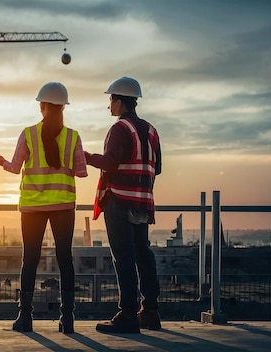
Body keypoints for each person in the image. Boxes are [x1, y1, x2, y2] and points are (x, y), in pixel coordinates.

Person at [0, 82, 88, 334]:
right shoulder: (73, 136)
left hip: (32, 207)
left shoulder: (28, 134)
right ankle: (68, 319)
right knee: (65, 260)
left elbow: (13, 167)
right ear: (63, 107)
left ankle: (25, 318)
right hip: (63, 206)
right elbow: (81, 172)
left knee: (29, 259)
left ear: (42, 107)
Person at [85, 76, 162, 334]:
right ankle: (150, 311)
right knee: (143, 253)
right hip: (143, 202)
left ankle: (128, 314)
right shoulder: (151, 130)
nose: (109, 105)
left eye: (111, 99)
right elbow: (157, 168)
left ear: (119, 101)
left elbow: (110, 162)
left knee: (124, 257)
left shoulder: (119, 129)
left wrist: (84, 157)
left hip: (119, 199)